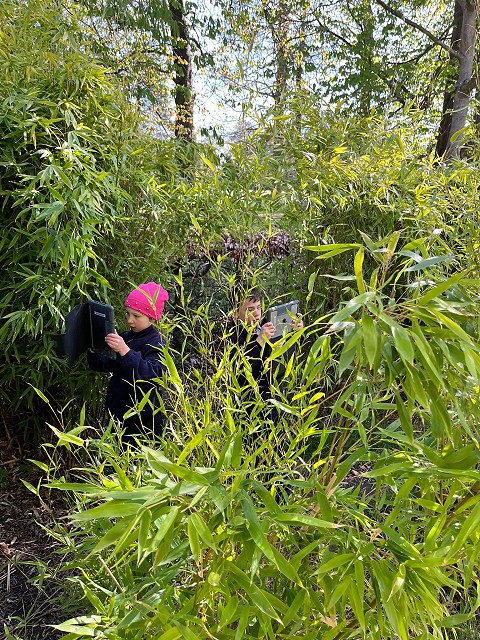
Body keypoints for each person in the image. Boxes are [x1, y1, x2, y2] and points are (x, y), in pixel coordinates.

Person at [87, 281, 169, 441]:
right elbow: (104, 364)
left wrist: (125, 351)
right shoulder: (126, 337)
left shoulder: (157, 342)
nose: (130, 320)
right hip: (118, 416)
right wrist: (96, 346)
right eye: (128, 314)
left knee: (140, 463)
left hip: (144, 421)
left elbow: (153, 374)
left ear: (152, 318)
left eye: (136, 316)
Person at [229, 287, 303, 423]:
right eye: (250, 310)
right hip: (250, 407)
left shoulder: (266, 325)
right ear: (235, 314)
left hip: (275, 395)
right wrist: (259, 342)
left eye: (258, 307)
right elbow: (237, 370)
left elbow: (286, 353)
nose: (257, 314)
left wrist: (295, 333)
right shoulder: (231, 335)